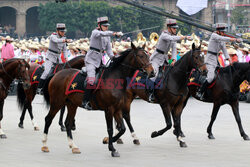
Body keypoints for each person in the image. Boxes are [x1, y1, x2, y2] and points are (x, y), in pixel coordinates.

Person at [81, 16, 122, 110]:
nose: (106, 27)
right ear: (99, 25)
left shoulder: (106, 36)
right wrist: (114, 33)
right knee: (91, 80)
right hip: (91, 60)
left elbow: (108, 49)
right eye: (104, 26)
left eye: (107, 26)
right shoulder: (95, 32)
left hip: (100, 60)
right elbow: (102, 34)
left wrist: (113, 57)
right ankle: (85, 101)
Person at [148, 19, 191, 102]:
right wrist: (184, 37)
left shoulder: (172, 37)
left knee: (171, 73)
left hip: (165, 59)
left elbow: (174, 49)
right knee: (154, 74)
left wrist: (174, 59)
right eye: (174, 28)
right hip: (156, 58)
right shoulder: (164, 35)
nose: (175, 30)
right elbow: (171, 38)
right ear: (169, 28)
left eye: (176, 28)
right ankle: (151, 94)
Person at [196, 23, 242, 100]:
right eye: (222, 32)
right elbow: (222, 38)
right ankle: (200, 91)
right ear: (218, 31)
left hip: (216, 59)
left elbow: (224, 49)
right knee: (210, 78)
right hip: (210, 59)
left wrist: (228, 59)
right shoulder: (214, 35)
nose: (224, 33)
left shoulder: (221, 38)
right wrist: (233, 39)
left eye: (224, 32)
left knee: (220, 77)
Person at [36, 23, 71, 94]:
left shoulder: (64, 38)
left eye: (64, 31)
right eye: (61, 31)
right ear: (57, 31)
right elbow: (56, 41)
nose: (63, 33)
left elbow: (64, 50)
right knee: (47, 72)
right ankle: (39, 88)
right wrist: (65, 41)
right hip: (51, 57)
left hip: (58, 57)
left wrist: (66, 58)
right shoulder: (53, 36)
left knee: (63, 71)